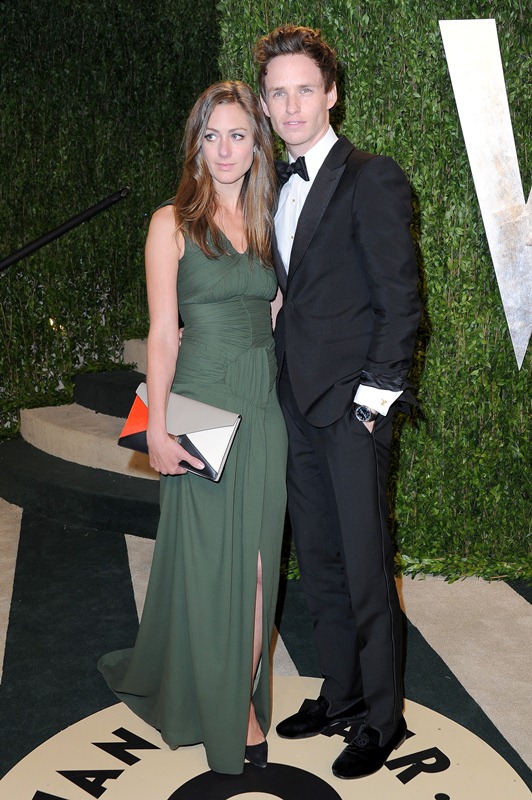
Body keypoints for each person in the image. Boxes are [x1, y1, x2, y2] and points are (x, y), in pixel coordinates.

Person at [98, 81, 288, 775]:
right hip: (202, 409)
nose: (225, 150)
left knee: (260, 569)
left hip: (263, 408)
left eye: (238, 135)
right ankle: (233, 712)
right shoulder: (170, 223)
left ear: (256, 144)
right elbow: (161, 334)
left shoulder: (270, 219)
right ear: (197, 145)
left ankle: (234, 692)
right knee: (213, 570)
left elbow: (276, 311)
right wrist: (157, 427)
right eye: (213, 136)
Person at [254, 25, 421, 779]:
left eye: (304, 90)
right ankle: (340, 693)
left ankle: (383, 719)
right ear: (265, 104)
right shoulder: (271, 184)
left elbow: (399, 297)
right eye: (278, 93)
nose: (291, 105)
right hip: (292, 401)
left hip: (352, 410)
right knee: (319, 561)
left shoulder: (371, 176)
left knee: (365, 566)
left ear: (331, 96)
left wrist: (372, 403)